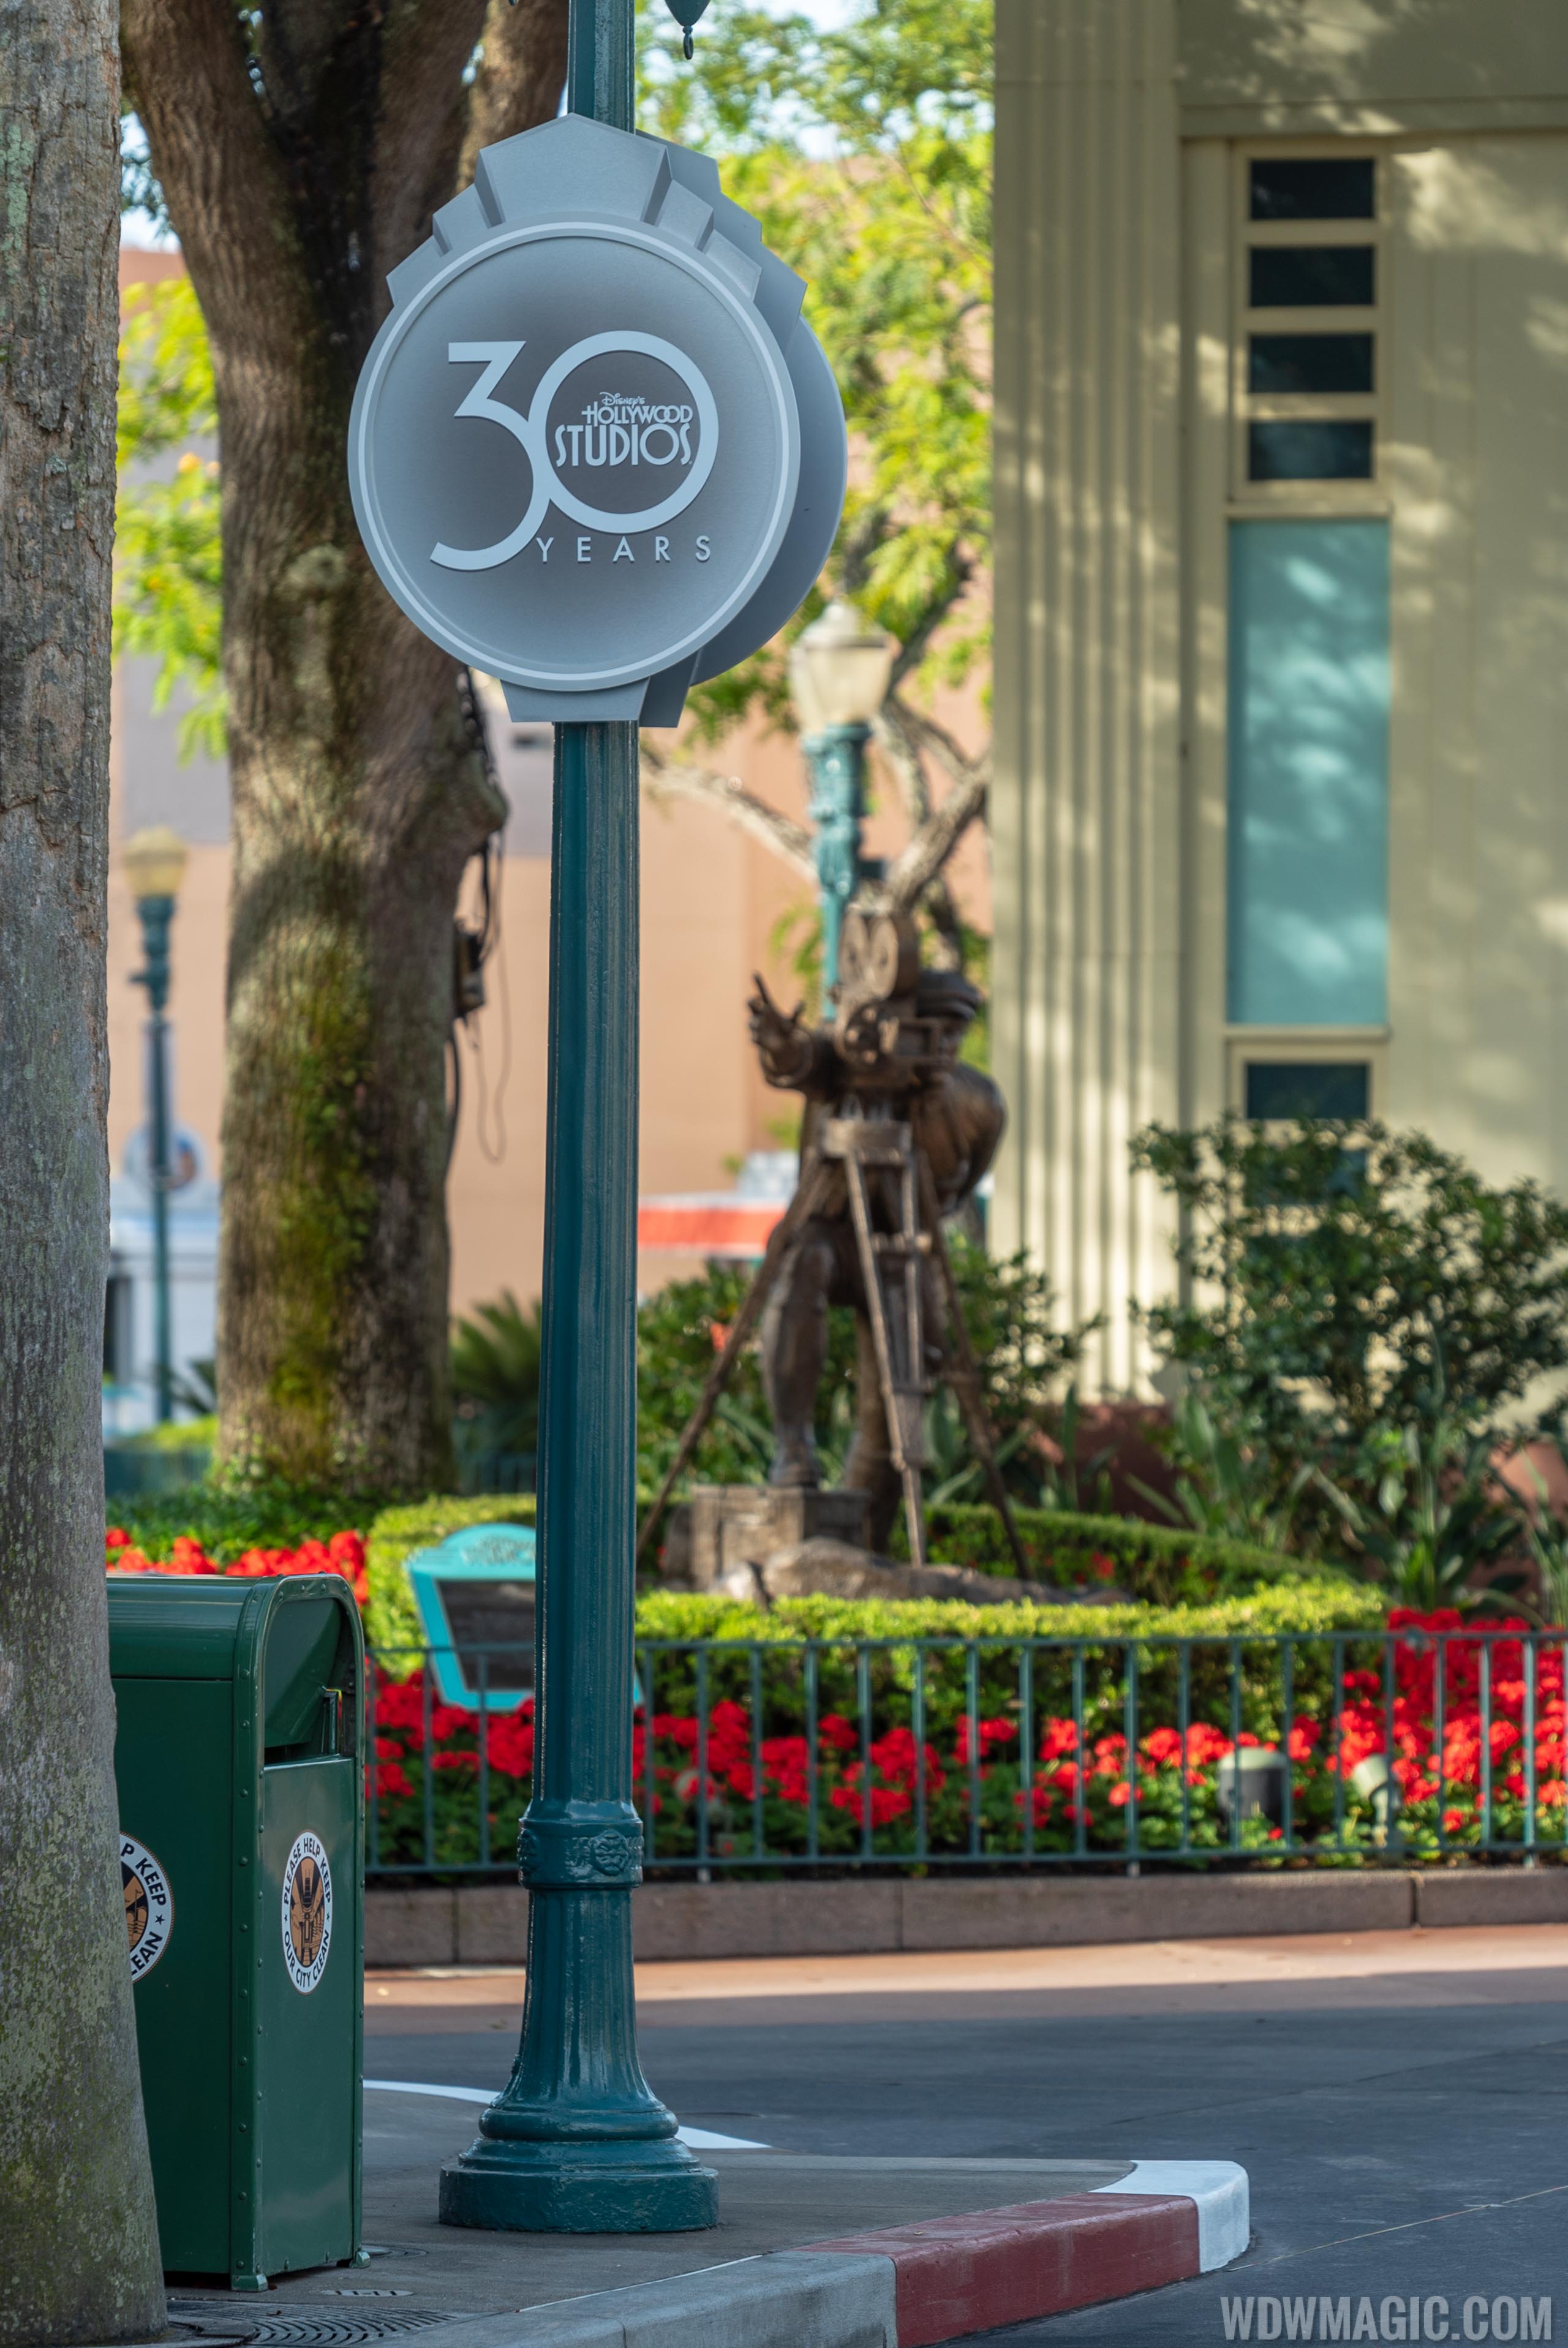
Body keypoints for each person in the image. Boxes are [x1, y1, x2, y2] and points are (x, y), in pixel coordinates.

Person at [747, 959, 1006, 1545]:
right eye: (923, 1034)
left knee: (908, 1377)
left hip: (904, 1241)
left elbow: (960, 1191)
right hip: (833, 1230)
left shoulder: (979, 1103)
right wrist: (782, 1043)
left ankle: (864, 1530)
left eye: (952, 1038)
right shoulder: (849, 1066)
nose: (938, 1050)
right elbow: (801, 1060)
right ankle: (794, 1449)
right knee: (798, 1262)